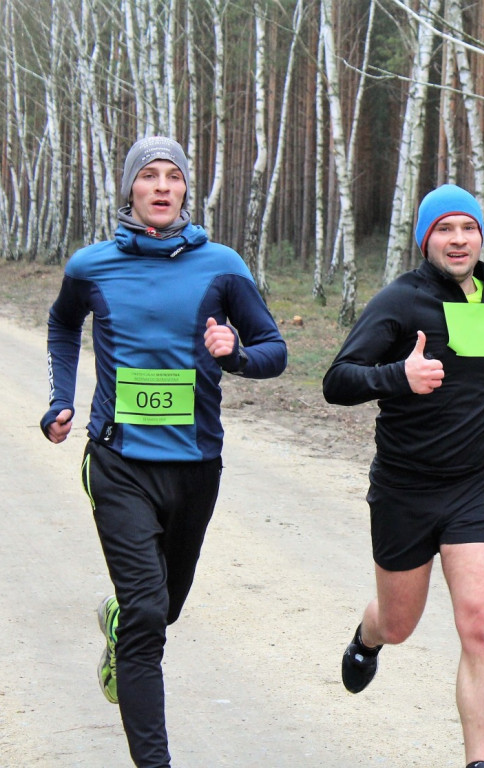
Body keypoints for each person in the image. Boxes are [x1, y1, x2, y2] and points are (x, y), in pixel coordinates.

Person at [41, 136, 287, 768]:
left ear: (185, 190)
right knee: (150, 615)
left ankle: (121, 624)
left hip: (197, 464)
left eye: (171, 177)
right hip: (118, 460)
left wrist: (234, 355)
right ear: (130, 189)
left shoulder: (223, 265)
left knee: (163, 608)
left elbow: (274, 352)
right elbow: (64, 325)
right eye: (147, 176)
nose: (159, 187)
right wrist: (61, 398)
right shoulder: (90, 266)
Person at [322, 184, 484, 768]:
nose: (458, 239)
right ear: (425, 239)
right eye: (445, 229)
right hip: (404, 490)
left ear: (482, 236)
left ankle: (479, 763)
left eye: (468, 228)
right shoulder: (399, 302)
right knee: (399, 622)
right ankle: (368, 638)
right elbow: (337, 381)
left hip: (473, 487)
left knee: (482, 627)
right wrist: (398, 376)